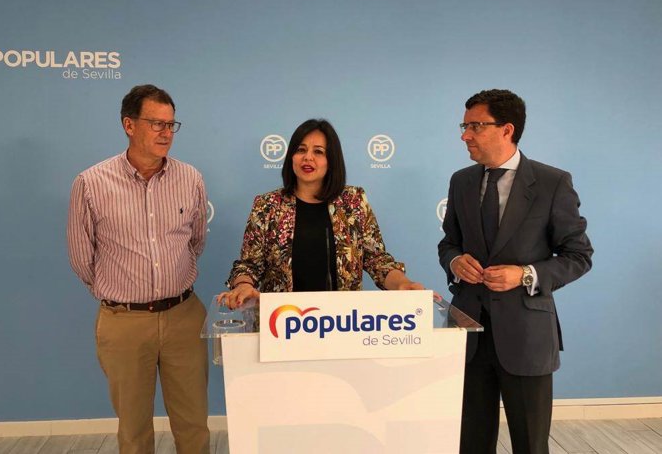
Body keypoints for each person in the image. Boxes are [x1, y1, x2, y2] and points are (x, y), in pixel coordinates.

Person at [438, 89, 593, 454]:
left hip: (527, 337)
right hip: (469, 334)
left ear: (507, 129)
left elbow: (578, 255)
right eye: (464, 126)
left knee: (530, 445)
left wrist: (525, 274)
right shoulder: (461, 181)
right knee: (470, 443)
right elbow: (449, 244)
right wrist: (455, 262)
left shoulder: (552, 183)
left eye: (475, 126)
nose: (465, 135)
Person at [67, 84, 210, 454]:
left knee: (194, 424)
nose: (166, 133)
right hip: (124, 322)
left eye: (171, 124)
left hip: (184, 317)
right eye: (156, 123)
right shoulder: (91, 183)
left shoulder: (190, 179)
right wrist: (122, 295)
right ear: (128, 125)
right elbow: (82, 257)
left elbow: (195, 241)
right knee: (133, 431)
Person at [223, 118, 423, 308]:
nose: (308, 157)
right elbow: (249, 265)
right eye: (301, 150)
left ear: (331, 160)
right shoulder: (267, 205)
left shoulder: (353, 202)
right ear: (291, 157)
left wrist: (402, 284)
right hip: (282, 321)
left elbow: (376, 260)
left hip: (341, 320)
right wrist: (243, 285)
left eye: (318, 151)